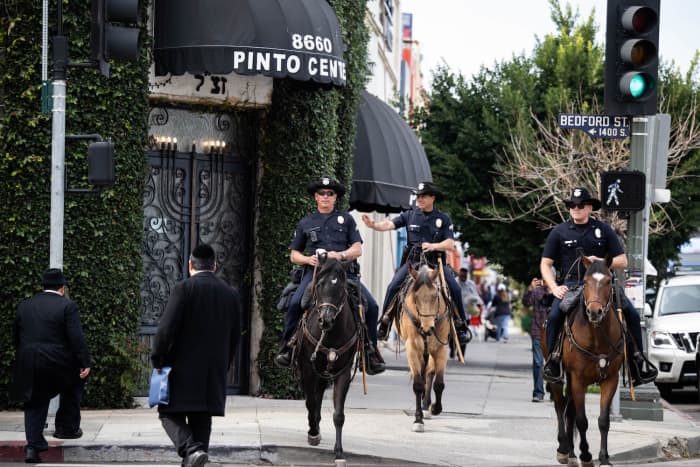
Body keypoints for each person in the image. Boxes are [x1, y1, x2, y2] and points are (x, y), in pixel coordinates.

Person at [540, 187, 658, 385]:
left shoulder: (603, 230)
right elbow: (545, 263)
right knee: (553, 317)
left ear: (589, 208)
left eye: (580, 205)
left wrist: (602, 261)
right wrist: (553, 287)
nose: (576, 209)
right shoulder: (559, 232)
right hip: (571, 285)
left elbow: (622, 261)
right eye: (572, 206)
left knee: (632, 314)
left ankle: (637, 361)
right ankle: (553, 362)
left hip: (602, 285)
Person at [274, 176, 385, 375]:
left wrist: (340, 254)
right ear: (316, 197)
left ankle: (370, 353)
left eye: (330, 194)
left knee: (373, 306)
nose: (326, 197)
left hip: (343, 274)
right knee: (294, 304)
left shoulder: (347, 220)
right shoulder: (306, 222)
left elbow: (357, 249)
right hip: (316, 274)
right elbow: (293, 255)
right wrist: (308, 260)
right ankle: (287, 349)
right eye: (322, 194)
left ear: (335, 198)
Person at [151, 244, 241, 467]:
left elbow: (165, 330)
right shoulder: (230, 294)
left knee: (168, 413)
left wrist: (158, 360)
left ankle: (190, 448)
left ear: (190, 265)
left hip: (181, 370)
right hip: (213, 373)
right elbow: (235, 337)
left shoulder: (184, 289)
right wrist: (225, 365)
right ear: (214, 266)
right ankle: (195, 454)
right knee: (202, 419)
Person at [361, 181, 470, 344]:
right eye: (418, 196)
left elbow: (450, 243)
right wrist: (374, 225)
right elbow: (390, 224)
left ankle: (461, 325)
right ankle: (385, 322)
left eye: (423, 196)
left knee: (454, 288)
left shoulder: (443, 218)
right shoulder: (409, 215)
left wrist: (434, 246)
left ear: (432, 197)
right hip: (413, 263)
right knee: (393, 286)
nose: (419, 199)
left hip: (436, 263)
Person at [12, 268, 91, 464]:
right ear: (62, 288)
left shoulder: (25, 305)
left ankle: (32, 447)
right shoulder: (67, 306)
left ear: (43, 286)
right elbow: (76, 338)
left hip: (28, 361)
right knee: (74, 383)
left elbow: (16, 337)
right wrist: (84, 362)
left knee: (34, 402)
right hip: (58, 363)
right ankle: (67, 427)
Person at [522, 277, 551, 402]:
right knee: (538, 363)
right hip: (538, 332)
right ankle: (538, 393)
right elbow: (526, 303)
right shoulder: (537, 291)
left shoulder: (559, 291)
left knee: (554, 364)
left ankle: (554, 390)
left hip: (554, 335)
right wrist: (530, 289)